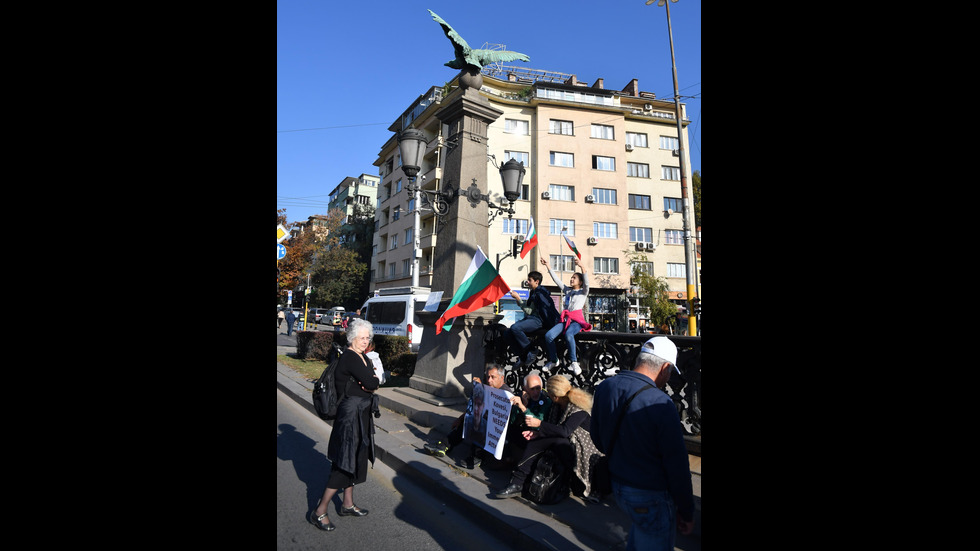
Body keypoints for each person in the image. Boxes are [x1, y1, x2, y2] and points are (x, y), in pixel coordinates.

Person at [590, 336, 695, 550]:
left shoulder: (606, 386)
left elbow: (598, 438)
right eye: (671, 372)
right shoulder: (661, 403)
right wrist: (686, 509)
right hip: (649, 494)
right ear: (665, 367)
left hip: (618, 485)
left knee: (641, 534)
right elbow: (677, 465)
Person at [309, 318, 381, 532]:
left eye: (368, 337)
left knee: (355, 459)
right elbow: (372, 382)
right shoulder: (350, 357)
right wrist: (371, 381)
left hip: (361, 414)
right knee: (344, 463)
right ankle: (320, 510)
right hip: (350, 418)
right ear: (352, 338)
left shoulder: (363, 357)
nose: (365, 341)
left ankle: (347, 504)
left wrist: (371, 381)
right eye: (361, 338)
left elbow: (374, 381)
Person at [494, 375, 603, 501]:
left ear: (555, 396)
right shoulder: (557, 406)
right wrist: (538, 433)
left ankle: (517, 482)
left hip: (582, 450)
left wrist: (540, 425)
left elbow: (564, 431)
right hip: (565, 444)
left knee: (549, 440)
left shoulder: (578, 408)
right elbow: (553, 428)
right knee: (534, 438)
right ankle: (517, 481)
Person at [424, 364, 514, 470]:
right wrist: (461, 418)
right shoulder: (488, 388)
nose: (489, 380)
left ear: (501, 378)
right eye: (488, 377)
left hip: (495, 429)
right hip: (482, 420)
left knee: (481, 424)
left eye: (493, 377)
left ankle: (477, 457)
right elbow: (474, 407)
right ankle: (444, 445)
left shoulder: (506, 393)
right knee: (469, 420)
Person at [539, 257, 591, 376]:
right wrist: (548, 266)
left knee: (569, 334)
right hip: (565, 321)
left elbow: (587, 282)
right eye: (571, 277)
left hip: (576, 321)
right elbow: (557, 280)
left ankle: (574, 362)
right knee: (548, 336)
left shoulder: (583, 292)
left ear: (580, 282)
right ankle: (554, 360)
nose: (571, 279)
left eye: (574, 278)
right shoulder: (568, 291)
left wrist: (582, 267)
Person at [506, 271, 561, 368]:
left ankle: (531, 350)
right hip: (533, 319)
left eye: (529, 280)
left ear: (537, 281)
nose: (527, 282)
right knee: (508, 332)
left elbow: (530, 311)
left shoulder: (539, 294)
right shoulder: (534, 292)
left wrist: (518, 298)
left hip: (538, 320)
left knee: (515, 328)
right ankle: (523, 356)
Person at [502, 372, 552, 465]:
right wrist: (523, 404)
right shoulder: (522, 397)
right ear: (525, 389)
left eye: (538, 388)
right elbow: (512, 421)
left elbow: (536, 424)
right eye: (532, 389)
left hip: (537, 434)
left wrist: (523, 408)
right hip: (523, 432)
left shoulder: (546, 401)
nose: (536, 392)